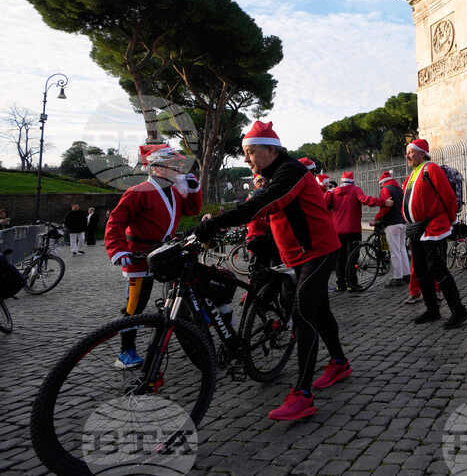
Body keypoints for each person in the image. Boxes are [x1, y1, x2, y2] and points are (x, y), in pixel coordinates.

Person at [196, 121, 350, 421]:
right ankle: (340, 363)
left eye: (250, 152)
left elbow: (265, 203)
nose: (246, 159)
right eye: (245, 152)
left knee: (303, 314)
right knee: (320, 313)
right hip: (299, 255)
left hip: (318, 252)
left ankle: (303, 394)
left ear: (271, 149)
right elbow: (262, 209)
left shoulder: (290, 171)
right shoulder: (272, 175)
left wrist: (216, 223)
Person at [105, 144, 202, 369]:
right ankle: (125, 352)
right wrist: (118, 249)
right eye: (173, 166)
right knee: (135, 305)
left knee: (182, 292)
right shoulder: (137, 192)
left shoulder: (175, 192)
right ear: (156, 168)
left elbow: (191, 211)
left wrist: (194, 190)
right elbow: (116, 221)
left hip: (165, 254)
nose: (178, 170)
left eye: (178, 166)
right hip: (140, 257)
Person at [402, 138, 467, 329]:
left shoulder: (431, 169)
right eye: (407, 152)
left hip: (433, 228)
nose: (407, 155)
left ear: (422, 153)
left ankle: (459, 311)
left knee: (438, 269)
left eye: (411, 151)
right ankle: (432, 309)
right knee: (421, 271)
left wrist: (449, 221)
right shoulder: (414, 173)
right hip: (416, 229)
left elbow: (448, 196)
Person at [328, 171, 390, 292]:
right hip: (353, 229)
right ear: (352, 180)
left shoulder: (334, 192)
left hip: (337, 231)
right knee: (352, 257)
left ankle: (340, 284)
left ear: (341, 181)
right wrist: (383, 202)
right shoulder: (355, 190)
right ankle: (352, 284)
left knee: (340, 258)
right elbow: (366, 200)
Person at [372, 171, 408, 288]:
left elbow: (386, 207)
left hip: (391, 224)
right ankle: (407, 274)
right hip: (402, 222)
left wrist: (376, 218)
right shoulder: (399, 190)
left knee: (394, 251)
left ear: (382, 182)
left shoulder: (385, 190)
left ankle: (397, 277)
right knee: (402, 250)